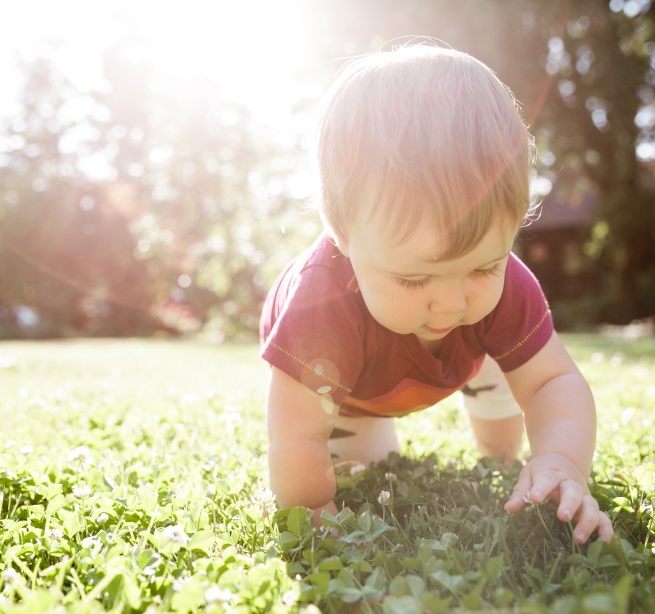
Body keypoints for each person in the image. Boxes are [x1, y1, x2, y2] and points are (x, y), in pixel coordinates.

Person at [259, 44, 613, 544]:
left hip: (468, 353)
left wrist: (561, 459)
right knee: (362, 466)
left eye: (484, 266)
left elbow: (551, 381)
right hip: (345, 386)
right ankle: (366, 436)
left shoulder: (504, 288)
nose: (452, 302)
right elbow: (296, 434)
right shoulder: (320, 308)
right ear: (342, 232)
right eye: (413, 278)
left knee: (503, 358)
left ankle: (501, 454)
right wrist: (313, 510)